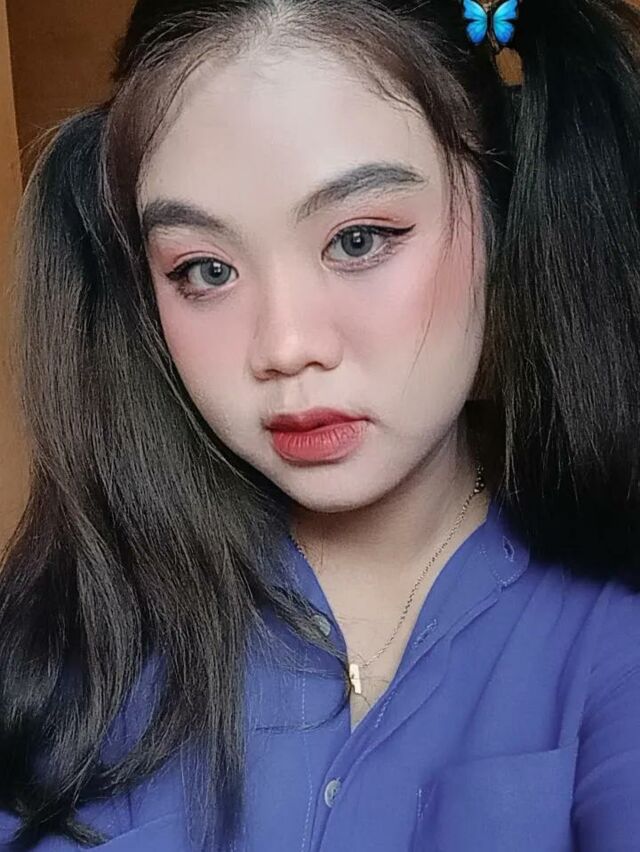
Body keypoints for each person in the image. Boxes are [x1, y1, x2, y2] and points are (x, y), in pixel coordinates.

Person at [1, 0, 640, 848]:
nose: (285, 346)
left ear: (501, 213)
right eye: (206, 269)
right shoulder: (70, 630)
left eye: (360, 239)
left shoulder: (611, 628)